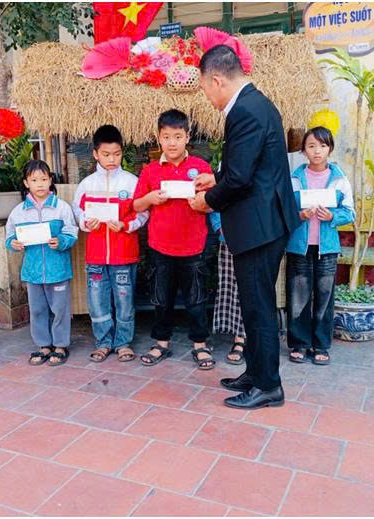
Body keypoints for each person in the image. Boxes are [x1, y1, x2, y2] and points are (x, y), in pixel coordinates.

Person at [191, 45, 300, 409]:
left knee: (258, 307)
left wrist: (207, 200)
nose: (208, 98)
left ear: (216, 80)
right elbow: (250, 167)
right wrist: (216, 178)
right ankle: (255, 372)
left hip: (259, 227)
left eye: (205, 89)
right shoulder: (256, 104)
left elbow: (240, 179)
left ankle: (268, 386)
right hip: (265, 221)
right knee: (253, 304)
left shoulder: (245, 111)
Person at [133, 109, 215, 370]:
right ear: (158, 138)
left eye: (177, 137)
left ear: (187, 137)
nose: (171, 143)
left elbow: (214, 204)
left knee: (197, 299)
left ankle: (200, 344)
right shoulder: (150, 171)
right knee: (161, 299)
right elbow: (136, 205)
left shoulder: (201, 169)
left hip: (194, 246)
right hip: (160, 247)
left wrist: (203, 204)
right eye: (166, 137)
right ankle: (161, 342)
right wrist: (150, 199)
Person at [72, 125, 149, 363]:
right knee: (97, 302)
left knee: (124, 300)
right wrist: (86, 223)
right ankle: (103, 342)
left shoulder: (132, 182)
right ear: (95, 154)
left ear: (122, 152)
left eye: (117, 154)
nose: (112, 159)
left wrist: (126, 225)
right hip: (95, 255)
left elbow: (143, 213)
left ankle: (123, 342)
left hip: (124, 253)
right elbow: (78, 212)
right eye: (106, 154)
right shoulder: (86, 185)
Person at [286, 126, 355, 365]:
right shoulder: (294, 178)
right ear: (304, 151)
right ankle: (299, 344)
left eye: (322, 146)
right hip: (299, 246)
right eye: (311, 146)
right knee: (298, 297)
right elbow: (284, 210)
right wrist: (300, 215)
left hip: (327, 248)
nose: (317, 151)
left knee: (325, 297)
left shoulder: (339, 179)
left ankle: (321, 345)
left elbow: (350, 212)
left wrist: (332, 216)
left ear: (330, 149)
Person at [5, 159, 78, 366]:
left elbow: (72, 232)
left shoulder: (61, 208)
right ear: (26, 183)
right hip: (33, 272)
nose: (40, 184)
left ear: (50, 180)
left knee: (60, 310)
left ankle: (61, 345)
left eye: (44, 179)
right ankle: (43, 345)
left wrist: (61, 241)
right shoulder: (19, 212)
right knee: (37, 310)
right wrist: (13, 244)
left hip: (58, 270)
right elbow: (9, 236)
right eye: (34, 180)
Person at [209, 211, 246, 364]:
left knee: (252, 289)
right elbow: (215, 203)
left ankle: (243, 338)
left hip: (259, 239)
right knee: (229, 286)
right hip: (229, 236)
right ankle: (236, 334)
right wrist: (220, 227)